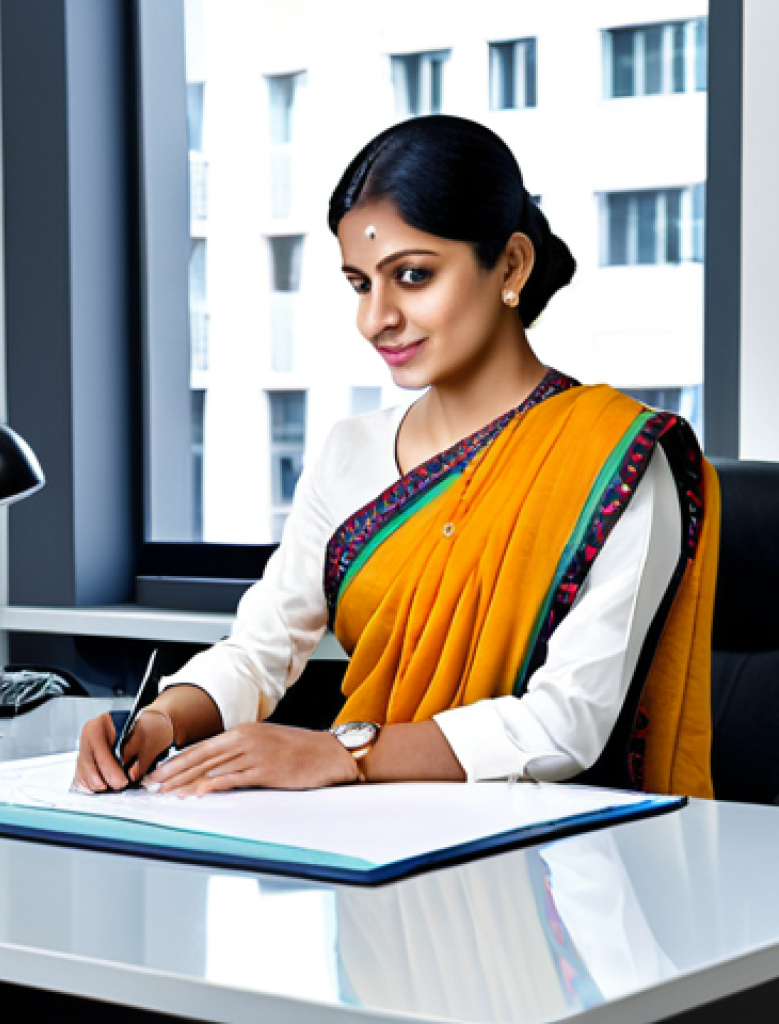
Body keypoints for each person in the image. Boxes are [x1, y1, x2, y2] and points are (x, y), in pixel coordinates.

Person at [73, 115, 718, 800]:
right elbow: (260, 649)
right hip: (373, 841)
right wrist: (162, 719)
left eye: (411, 276)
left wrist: (341, 753)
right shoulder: (350, 451)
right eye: (359, 284)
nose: (374, 317)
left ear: (511, 265)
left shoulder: (614, 458)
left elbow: (564, 726)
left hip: (559, 859)